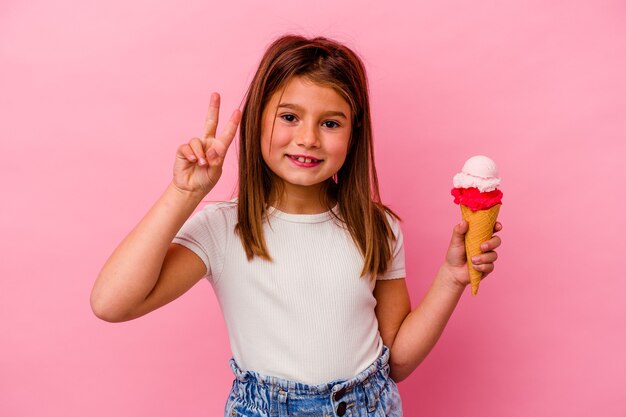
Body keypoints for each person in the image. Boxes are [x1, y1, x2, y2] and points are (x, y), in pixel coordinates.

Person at [91, 35, 502, 417]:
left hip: (368, 405)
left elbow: (396, 361)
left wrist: (451, 279)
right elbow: (112, 303)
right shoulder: (223, 228)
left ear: (353, 134)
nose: (308, 138)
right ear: (257, 121)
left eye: (330, 123)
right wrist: (185, 193)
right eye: (289, 116)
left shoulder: (377, 227)